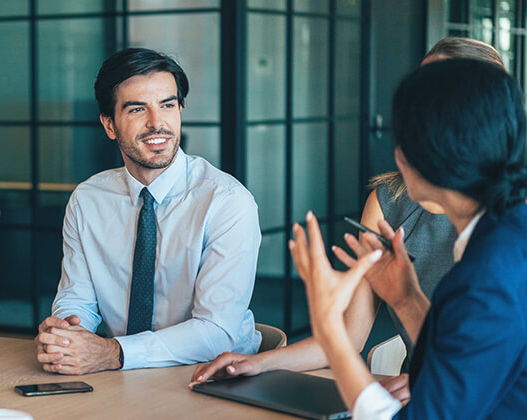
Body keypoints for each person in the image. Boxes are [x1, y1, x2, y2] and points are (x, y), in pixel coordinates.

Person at [191, 37, 504, 397]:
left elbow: (505, 358)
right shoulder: (391, 201)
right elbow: (351, 335)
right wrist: (256, 363)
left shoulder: (512, 217)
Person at [294, 58, 527, 418]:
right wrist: (406, 299)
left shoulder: (487, 279)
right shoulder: (508, 234)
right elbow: (465, 366)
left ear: (431, 155)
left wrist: (328, 326)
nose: (397, 154)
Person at [34, 48, 262, 374]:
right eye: (138, 109)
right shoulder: (88, 200)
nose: (157, 123)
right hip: (123, 378)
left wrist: (114, 353)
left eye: (167, 105)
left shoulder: (227, 202)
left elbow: (217, 333)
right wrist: (65, 334)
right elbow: (77, 298)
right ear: (109, 125)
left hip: (214, 379)